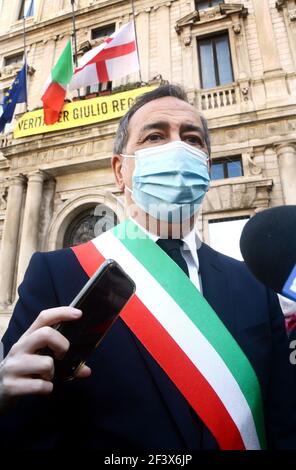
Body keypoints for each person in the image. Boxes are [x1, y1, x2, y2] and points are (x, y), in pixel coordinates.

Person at [0, 84, 295, 450]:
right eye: (155, 136)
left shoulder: (253, 284)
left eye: (192, 138)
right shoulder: (56, 274)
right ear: (120, 171)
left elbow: (284, 421)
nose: (177, 147)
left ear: (207, 168)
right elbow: (28, 426)